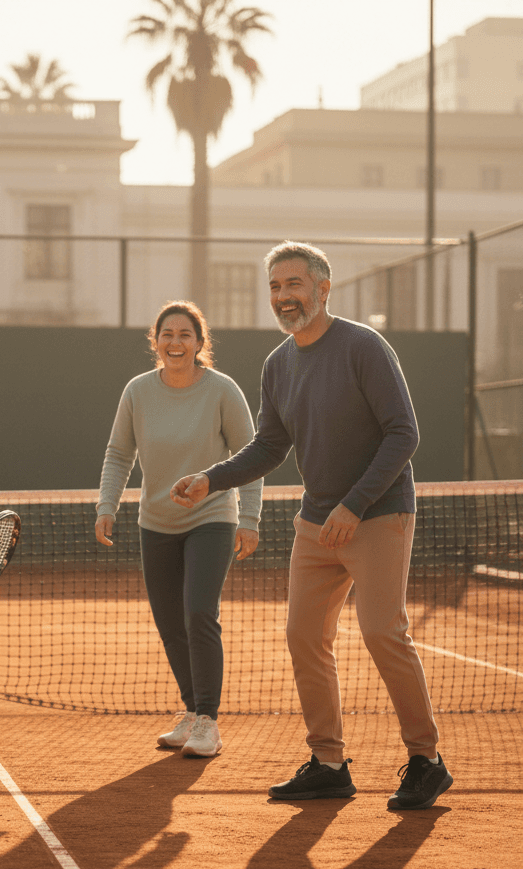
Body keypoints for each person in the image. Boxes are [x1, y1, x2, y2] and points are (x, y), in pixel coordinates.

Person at [171, 241, 453, 810]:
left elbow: (404, 434)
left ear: (323, 289)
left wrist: (354, 505)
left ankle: (426, 759)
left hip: (378, 514)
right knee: (304, 637)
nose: (283, 297)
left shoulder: (363, 347)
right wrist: (211, 479)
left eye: (294, 284)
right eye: (275, 286)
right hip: (316, 524)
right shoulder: (278, 364)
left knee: (382, 633)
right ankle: (328, 762)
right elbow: (271, 446)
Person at [96, 301, 262, 758]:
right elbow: (118, 454)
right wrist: (106, 506)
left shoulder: (223, 391)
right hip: (155, 523)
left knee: (198, 613)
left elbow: (251, 459)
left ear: (199, 343)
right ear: (156, 341)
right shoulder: (137, 391)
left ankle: (208, 720)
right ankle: (190, 712)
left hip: (211, 520)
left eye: (185, 334)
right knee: (171, 625)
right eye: (167, 334)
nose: (175, 342)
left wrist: (249, 520)